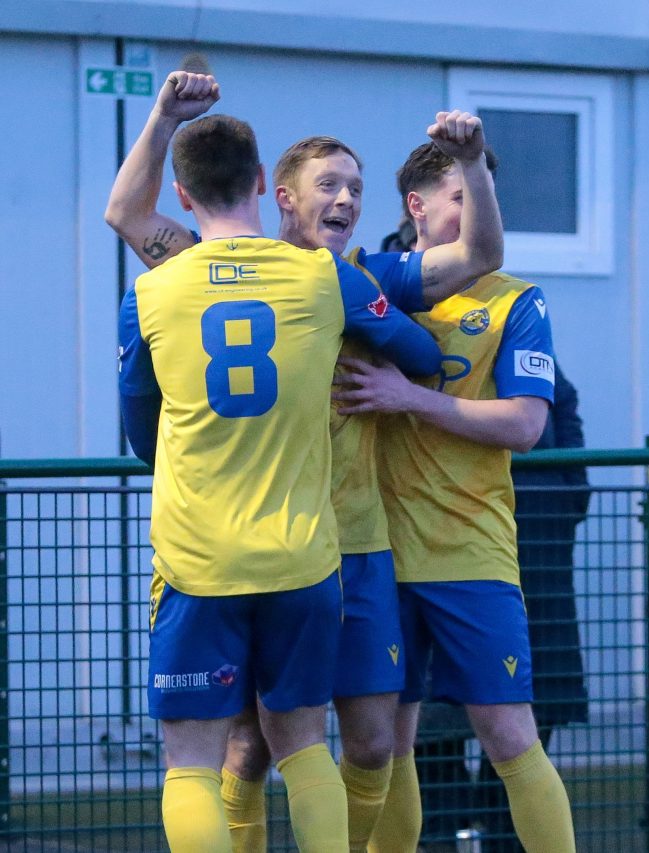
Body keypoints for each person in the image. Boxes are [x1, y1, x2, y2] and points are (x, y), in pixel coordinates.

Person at [105, 71, 504, 851]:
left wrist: (162, 115)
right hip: (303, 552)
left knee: (212, 760)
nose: (347, 198)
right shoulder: (326, 280)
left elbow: (142, 431)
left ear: (184, 194)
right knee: (287, 746)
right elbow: (427, 348)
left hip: (225, 553)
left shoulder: (170, 280)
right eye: (331, 183)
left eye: (356, 186)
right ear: (270, 188)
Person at [334, 141, 577, 853]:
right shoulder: (365, 283)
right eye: (465, 198)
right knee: (385, 743)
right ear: (416, 207)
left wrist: (410, 397)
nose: (482, 214)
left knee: (508, 734)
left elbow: (527, 425)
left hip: (471, 551)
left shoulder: (515, 299)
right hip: (377, 554)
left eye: (488, 198)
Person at [419, 363, 590, 849]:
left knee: (480, 752)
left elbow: (575, 480)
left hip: (503, 568)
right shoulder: (539, 370)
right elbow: (576, 482)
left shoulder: (524, 361)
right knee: (445, 747)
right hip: (474, 567)